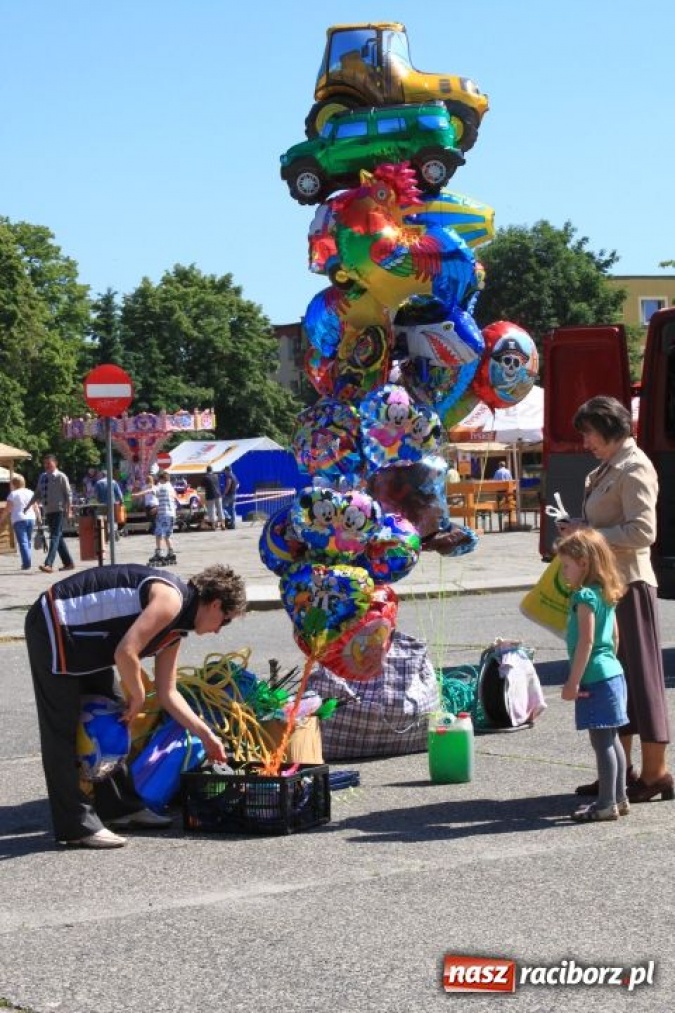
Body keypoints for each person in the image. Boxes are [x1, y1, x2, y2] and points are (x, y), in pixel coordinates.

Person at [25, 561, 247, 849]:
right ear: (215, 604)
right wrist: (138, 695)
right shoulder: (170, 601)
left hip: (88, 642)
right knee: (62, 728)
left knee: (115, 720)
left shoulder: (176, 630)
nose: (220, 630)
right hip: (53, 625)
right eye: (225, 620)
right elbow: (126, 652)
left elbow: (168, 694)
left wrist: (206, 736)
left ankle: (121, 808)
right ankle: (76, 825)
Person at [558, 395, 672, 804]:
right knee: (614, 678)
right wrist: (581, 527)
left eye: (588, 432)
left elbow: (643, 531)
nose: (585, 441)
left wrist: (587, 534)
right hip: (610, 585)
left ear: (607, 428)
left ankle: (657, 774)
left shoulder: (635, 466)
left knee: (641, 681)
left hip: (631, 585)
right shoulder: (609, 466)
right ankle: (618, 774)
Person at [557, 529, 629, 822]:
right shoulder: (606, 593)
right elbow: (613, 636)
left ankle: (605, 804)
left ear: (583, 563)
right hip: (612, 673)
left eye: (566, 566)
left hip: (595, 678)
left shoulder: (585, 596)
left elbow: (586, 641)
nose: (564, 572)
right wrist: (609, 661)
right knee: (612, 738)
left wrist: (573, 681)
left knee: (602, 743)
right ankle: (620, 798)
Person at [28, 453, 75, 575]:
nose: (47, 465)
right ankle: (68, 563)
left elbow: (68, 494)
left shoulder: (61, 476)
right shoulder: (42, 477)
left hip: (59, 510)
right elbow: (37, 493)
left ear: (55, 463)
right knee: (58, 537)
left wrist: (69, 510)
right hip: (48, 511)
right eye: (45, 463)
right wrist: (28, 505)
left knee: (54, 536)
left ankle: (48, 564)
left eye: (49, 463)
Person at [0, 474, 40, 570]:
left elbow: (8, 509)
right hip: (31, 518)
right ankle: (28, 560)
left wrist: (1, 519)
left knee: (23, 542)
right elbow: (36, 506)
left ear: (14, 484)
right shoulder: (30, 492)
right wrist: (39, 518)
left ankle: (26, 563)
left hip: (19, 519)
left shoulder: (13, 494)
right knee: (28, 541)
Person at [151, 471, 179, 564]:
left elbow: (151, 490)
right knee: (167, 535)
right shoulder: (171, 487)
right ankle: (171, 553)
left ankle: (159, 553)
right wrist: (158, 508)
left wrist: (137, 494)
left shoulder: (162, 487)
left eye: (159, 479)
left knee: (158, 534)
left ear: (161, 479)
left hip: (163, 515)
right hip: (171, 514)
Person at [203, 465, 225, 530]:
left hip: (210, 495)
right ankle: (223, 524)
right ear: (212, 470)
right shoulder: (216, 476)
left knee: (212, 510)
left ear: (206, 471)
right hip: (218, 495)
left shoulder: (206, 477)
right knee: (220, 509)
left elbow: (202, 485)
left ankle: (213, 526)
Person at [220, 466, 239, 530]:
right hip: (234, 494)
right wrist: (234, 490)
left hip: (229, 495)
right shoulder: (234, 476)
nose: (224, 472)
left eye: (225, 471)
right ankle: (233, 524)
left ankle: (228, 517)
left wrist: (224, 494)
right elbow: (238, 485)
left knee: (221, 507)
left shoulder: (229, 476)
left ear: (227, 470)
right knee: (232, 509)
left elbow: (228, 485)